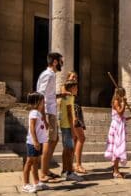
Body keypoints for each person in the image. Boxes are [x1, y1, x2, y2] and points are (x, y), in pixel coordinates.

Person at [36, 52, 63, 182]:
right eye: (61, 61)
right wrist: (43, 115)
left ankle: (45, 169)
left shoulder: (50, 74)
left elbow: (48, 95)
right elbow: (40, 94)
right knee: (48, 140)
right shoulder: (48, 74)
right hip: (47, 112)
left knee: (55, 139)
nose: (62, 63)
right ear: (55, 62)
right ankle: (43, 173)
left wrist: (59, 95)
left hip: (50, 110)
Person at [60, 71, 87, 174]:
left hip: (77, 112)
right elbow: (67, 103)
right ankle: (77, 165)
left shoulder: (74, 87)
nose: (75, 78)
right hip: (72, 114)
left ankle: (71, 166)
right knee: (81, 138)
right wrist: (74, 117)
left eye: (76, 76)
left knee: (76, 139)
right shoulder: (65, 87)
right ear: (68, 77)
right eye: (72, 76)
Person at [22, 92, 49, 193]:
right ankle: (25, 184)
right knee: (29, 162)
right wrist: (35, 141)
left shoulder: (38, 113)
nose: (44, 103)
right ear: (37, 102)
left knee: (35, 162)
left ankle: (36, 182)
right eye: (42, 101)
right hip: (33, 142)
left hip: (39, 142)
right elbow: (32, 128)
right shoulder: (33, 112)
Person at [104, 87, 131, 178]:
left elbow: (121, 117)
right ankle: (116, 171)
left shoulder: (118, 102)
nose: (124, 95)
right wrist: (124, 103)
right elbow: (120, 113)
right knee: (117, 149)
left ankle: (116, 169)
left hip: (120, 126)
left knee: (119, 148)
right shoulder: (116, 101)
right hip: (116, 127)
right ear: (120, 94)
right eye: (123, 94)